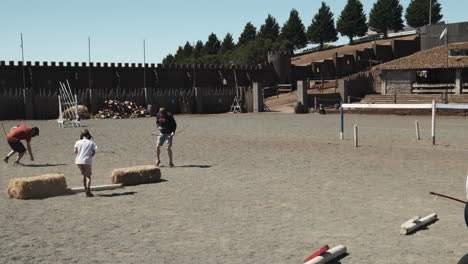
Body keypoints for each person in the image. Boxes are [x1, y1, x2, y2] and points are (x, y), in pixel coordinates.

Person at [73, 129, 97, 197]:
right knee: (88, 176)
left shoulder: (77, 142)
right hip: (86, 160)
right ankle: (88, 190)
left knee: (83, 175)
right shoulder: (91, 142)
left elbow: (75, 151)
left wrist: (80, 152)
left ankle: (85, 189)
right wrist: (90, 156)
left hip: (78, 160)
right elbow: (93, 152)